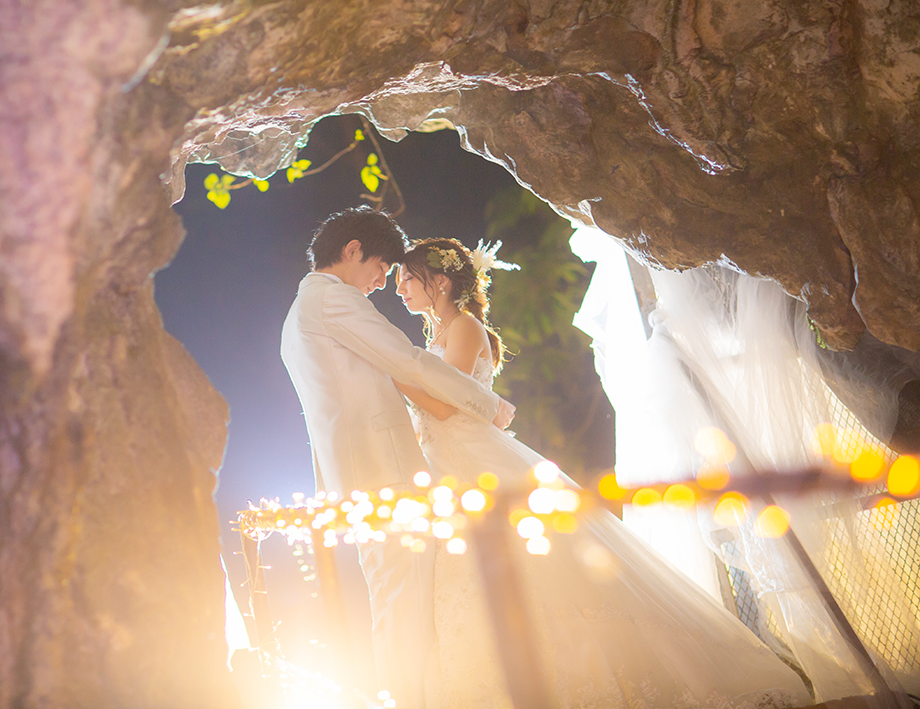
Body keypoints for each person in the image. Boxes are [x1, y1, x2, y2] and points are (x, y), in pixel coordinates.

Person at [394, 237, 812, 709]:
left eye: (407, 279)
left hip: (477, 465)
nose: (400, 289)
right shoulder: (438, 337)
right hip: (450, 466)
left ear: (440, 281)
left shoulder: (465, 328)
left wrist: (394, 375)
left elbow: (449, 407)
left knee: (536, 568)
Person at [280, 208, 514, 709]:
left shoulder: (300, 309)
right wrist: (487, 403)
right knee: (402, 604)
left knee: (393, 601)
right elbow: (405, 358)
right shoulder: (333, 299)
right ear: (353, 251)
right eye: (382, 268)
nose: (383, 283)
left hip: (359, 476)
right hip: (383, 473)